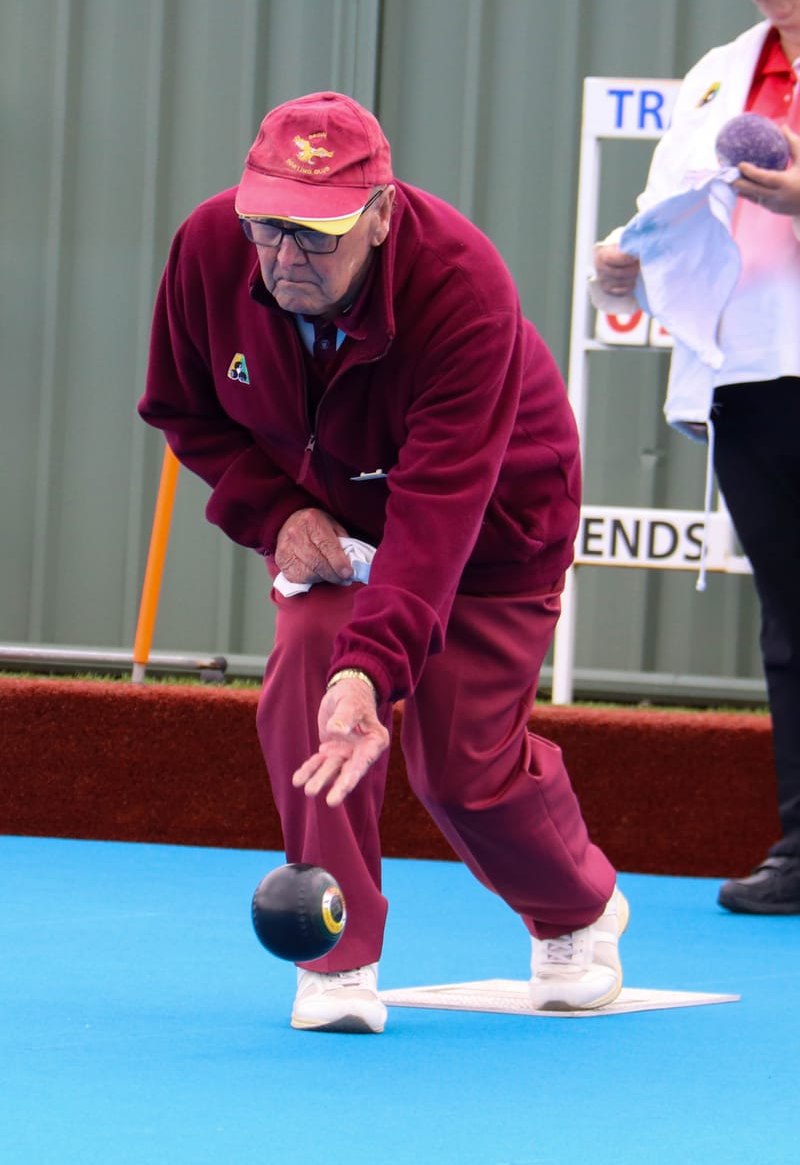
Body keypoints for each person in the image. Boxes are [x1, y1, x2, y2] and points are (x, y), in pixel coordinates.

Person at [139, 90, 627, 1033]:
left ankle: (579, 909)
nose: (284, 258)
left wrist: (375, 666)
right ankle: (334, 954)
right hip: (327, 520)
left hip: (490, 527)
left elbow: (440, 509)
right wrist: (275, 513)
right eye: (268, 228)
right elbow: (182, 408)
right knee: (306, 686)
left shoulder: (462, 285)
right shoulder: (211, 246)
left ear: (383, 214)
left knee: (462, 769)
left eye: (315, 236)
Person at [593, 0, 800, 915]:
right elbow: (661, 215)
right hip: (750, 373)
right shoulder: (719, 71)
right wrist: (618, 269)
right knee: (791, 623)